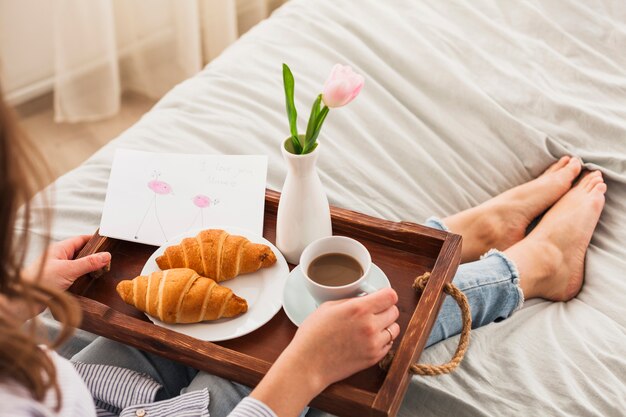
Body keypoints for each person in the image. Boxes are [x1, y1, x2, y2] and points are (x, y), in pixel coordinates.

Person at [0, 85, 606, 417]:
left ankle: (452, 236)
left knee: (283, 314)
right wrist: (302, 373)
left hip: (91, 385)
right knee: (310, 332)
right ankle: (526, 269)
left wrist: (11, 302)